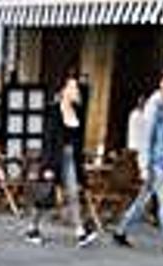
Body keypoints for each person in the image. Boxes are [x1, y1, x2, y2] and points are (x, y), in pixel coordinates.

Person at [113, 67, 163, 254]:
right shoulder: (154, 105)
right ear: (161, 82)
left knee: (141, 202)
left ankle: (120, 231)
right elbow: (146, 138)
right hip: (155, 164)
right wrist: (144, 166)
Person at [56, 71, 97, 248]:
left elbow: (78, 145)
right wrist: (48, 166)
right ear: (64, 90)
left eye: (76, 87)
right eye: (72, 86)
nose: (75, 90)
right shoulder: (54, 110)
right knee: (45, 196)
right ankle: (33, 227)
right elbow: (49, 140)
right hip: (57, 157)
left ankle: (80, 232)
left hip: (71, 158)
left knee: (73, 193)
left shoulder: (77, 113)